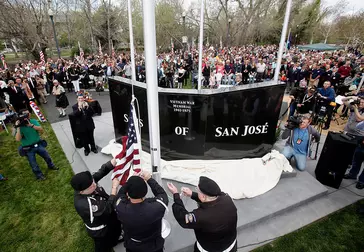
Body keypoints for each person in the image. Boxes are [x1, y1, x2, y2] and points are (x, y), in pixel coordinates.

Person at [167, 176, 238, 252]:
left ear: (203, 196)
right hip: (231, 245)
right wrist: (192, 194)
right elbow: (210, 199)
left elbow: (183, 218)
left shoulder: (200, 216)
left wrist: (176, 195)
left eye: (197, 190)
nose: (196, 191)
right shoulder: (227, 199)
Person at [71, 159, 123, 252]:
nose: (94, 185)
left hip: (109, 220)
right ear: (81, 191)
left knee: (115, 230)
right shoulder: (85, 204)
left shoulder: (87, 184)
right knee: (103, 246)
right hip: (102, 230)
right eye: (91, 186)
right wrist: (114, 189)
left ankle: (116, 237)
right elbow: (107, 209)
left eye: (93, 182)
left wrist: (110, 164)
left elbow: (99, 173)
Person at [115, 171, 169, 252]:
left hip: (133, 247)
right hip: (154, 247)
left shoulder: (121, 208)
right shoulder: (156, 208)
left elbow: (120, 195)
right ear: (145, 191)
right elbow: (162, 195)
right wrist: (149, 179)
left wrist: (130, 182)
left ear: (128, 194)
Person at [14, 109, 58, 180]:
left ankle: (51, 165)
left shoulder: (33, 121)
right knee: (33, 163)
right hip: (28, 148)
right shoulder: (19, 127)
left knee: (47, 156)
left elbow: (41, 129)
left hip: (38, 144)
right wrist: (18, 128)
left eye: (28, 113)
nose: (28, 114)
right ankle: (39, 175)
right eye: (26, 114)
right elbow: (18, 139)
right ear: (20, 116)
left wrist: (31, 125)